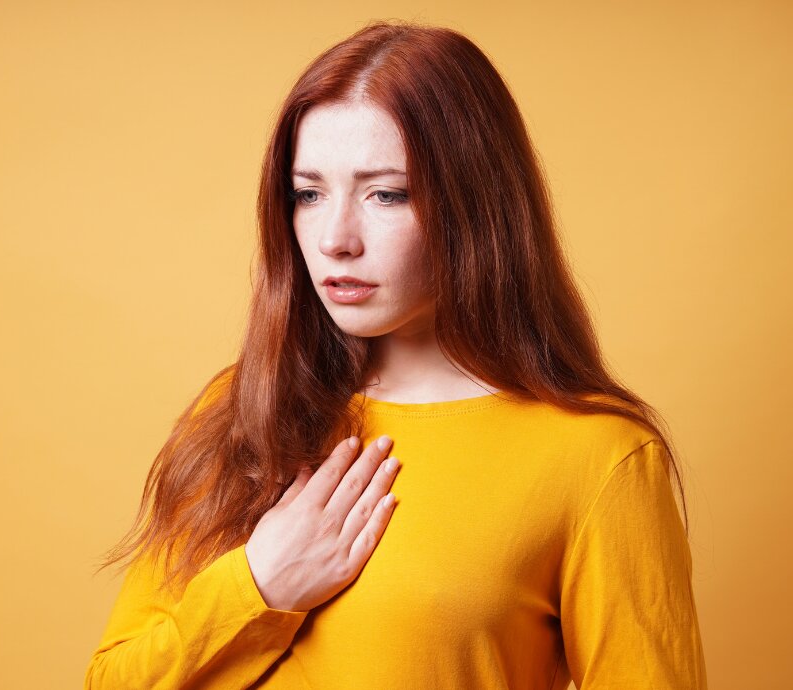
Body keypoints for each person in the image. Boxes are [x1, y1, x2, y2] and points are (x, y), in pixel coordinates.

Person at [84, 19, 708, 689]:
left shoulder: (597, 458)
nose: (335, 238)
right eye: (308, 194)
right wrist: (260, 586)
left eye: (386, 193)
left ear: (478, 206)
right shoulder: (243, 405)